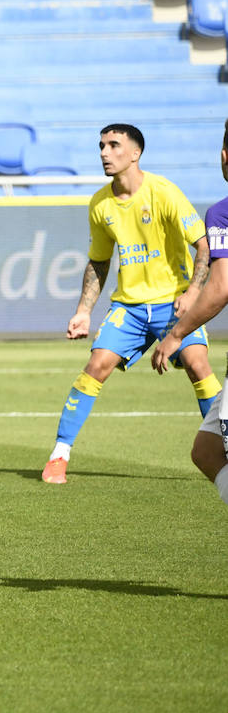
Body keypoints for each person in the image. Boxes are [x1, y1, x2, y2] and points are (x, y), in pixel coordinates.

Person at [42, 124, 218, 484]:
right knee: (97, 365)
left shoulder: (164, 192)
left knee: (198, 364)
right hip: (131, 307)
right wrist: (84, 311)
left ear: (135, 153)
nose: (105, 152)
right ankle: (59, 455)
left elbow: (203, 245)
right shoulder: (100, 204)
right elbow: (99, 261)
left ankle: (225, 447)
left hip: (174, 302)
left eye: (114, 145)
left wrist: (193, 293)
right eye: (102, 146)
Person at [150, 120, 228, 507]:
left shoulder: (222, 214)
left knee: (216, 452)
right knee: (206, 449)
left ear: (224, 157)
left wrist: (176, 334)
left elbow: (221, 286)